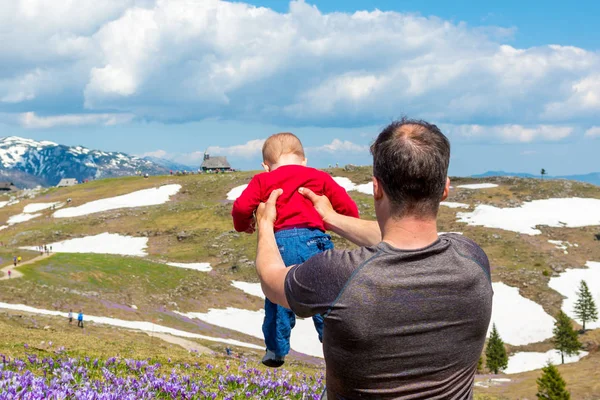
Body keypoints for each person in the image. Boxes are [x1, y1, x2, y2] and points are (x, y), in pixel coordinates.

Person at [254, 119, 493, 399]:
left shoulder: (337, 274)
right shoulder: (473, 258)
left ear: (376, 188)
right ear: (444, 188)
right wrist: (331, 218)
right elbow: (405, 237)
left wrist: (266, 225)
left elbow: (271, 280)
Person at [232, 132, 359, 368]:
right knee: (328, 296)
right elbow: (348, 208)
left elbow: (241, 207)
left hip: (281, 243)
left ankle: (276, 350)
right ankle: (334, 346)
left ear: (266, 165)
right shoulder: (319, 177)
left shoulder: (263, 180)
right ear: (304, 160)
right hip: (317, 241)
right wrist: (340, 220)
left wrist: (245, 226)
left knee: (278, 296)